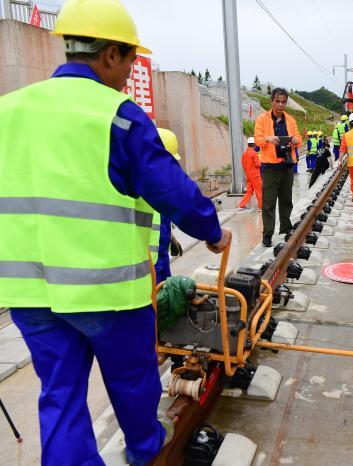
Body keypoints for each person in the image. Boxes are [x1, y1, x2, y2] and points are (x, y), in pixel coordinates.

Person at [0, 1, 233, 464]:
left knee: (60, 394)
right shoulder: (118, 116)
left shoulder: (10, 110)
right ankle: (146, 447)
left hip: (28, 290)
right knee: (132, 379)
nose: (128, 72)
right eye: (128, 60)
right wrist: (211, 230)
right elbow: (168, 186)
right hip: (104, 290)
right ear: (109, 54)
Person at [254, 87, 302, 247]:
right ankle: (267, 234)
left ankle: (286, 229)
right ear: (272, 101)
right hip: (270, 166)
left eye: (283, 102)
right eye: (278, 101)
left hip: (287, 165)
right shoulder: (262, 119)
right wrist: (269, 139)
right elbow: (258, 139)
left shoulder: (290, 120)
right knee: (268, 202)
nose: (281, 105)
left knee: (286, 199)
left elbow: (299, 138)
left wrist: (295, 140)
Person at [152, 128, 185, 284]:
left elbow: (162, 218)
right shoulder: (144, 187)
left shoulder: (161, 185)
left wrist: (171, 237)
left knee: (167, 290)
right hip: (150, 261)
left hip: (162, 253)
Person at [239, 136, 263, 211]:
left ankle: (242, 204)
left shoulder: (244, 154)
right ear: (254, 144)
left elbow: (243, 164)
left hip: (248, 176)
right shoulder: (254, 153)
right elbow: (257, 164)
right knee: (259, 191)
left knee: (249, 191)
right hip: (255, 176)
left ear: (248, 144)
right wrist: (261, 162)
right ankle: (261, 207)